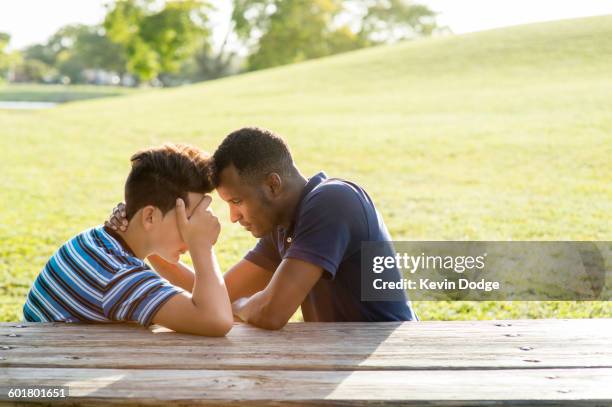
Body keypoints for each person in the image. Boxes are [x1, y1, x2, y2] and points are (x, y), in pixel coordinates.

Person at [109, 128, 417, 329]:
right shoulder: (282, 226)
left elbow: (271, 312)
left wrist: (241, 305)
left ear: (272, 185)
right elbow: (218, 295)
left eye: (237, 201)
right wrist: (147, 241)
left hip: (392, 365)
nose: (232, 217)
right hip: (340, 362)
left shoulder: (333, 201)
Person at [23, 144, 233, 336]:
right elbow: (216, 320)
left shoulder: (101, 242)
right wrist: (201, 245)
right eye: (188, 220)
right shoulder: (117, 278)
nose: (193, 230)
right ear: (149, 216)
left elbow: (204, 300)